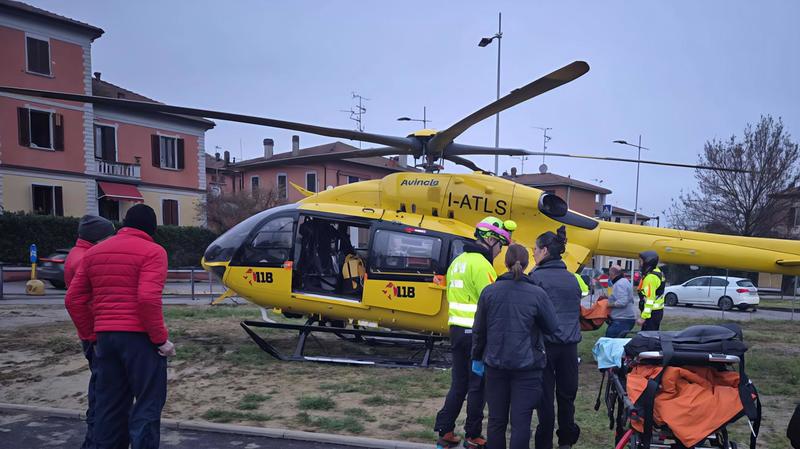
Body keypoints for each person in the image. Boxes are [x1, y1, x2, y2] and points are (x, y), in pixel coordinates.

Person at [66, 204, 175, 449]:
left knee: (109, 406)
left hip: (105, 339)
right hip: (140, 341)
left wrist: (91, 335)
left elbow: (73, 299)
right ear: (152, 227)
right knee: (147, 403)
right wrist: (160, 340)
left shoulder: (95, 252)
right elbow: (147, 298)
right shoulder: (154, 252)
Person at [434, 216, 517, 449]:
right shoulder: (482, 265)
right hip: (476, 335)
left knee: (458, 384)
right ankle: (473, 435)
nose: (500, 252)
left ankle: (445, 431)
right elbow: (493, 300)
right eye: (500, 245)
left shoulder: (457, 261)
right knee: (477, 385)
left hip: (457, 331)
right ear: (490, 239)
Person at [471, 244, 557, 449]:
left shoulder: (489, 292)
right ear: (527, 264)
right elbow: (552, 327)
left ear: (506, 262)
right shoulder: (537, 294)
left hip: (495, 363)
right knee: (521, 423)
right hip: (527, 367)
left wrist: (476, 357)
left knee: (496, 420)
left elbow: (479, 330)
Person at [63, 215, 116, 449]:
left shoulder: (78, 254)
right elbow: (76, 302)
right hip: (96, 335)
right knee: (102, 389)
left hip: (93, 333)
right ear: (99, 237)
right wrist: (91, 336)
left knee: (100, 386)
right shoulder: (85, 259)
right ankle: (94, 441)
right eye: (110, 235)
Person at [529, 225, 581, 449]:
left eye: (535, 249)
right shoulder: (572, 278)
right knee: (567, 396)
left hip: (545, 346)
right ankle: (566, 440)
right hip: (569, 347)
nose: (533, 252)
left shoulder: (535, 278)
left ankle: (544, 443)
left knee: (545, 399)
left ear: (545, 251)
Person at [604, 265, 637, 338]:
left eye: (609, 274)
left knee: (610, 341)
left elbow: (622, 302)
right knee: (616, 342)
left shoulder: (619, 284)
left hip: (621, 319)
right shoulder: (624, 281)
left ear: (613, 274)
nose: (609, 277)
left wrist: (608, 305)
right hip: (625, 318)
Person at [636, 250, 665, 331]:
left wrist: (643, 317)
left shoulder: (650, 278)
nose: (639, 264)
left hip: (652, 313)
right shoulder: (657, 271)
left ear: (647, 262)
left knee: (648, 338)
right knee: (652, 336)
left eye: (640, 262)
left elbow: (650, 300)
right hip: (657, 312)